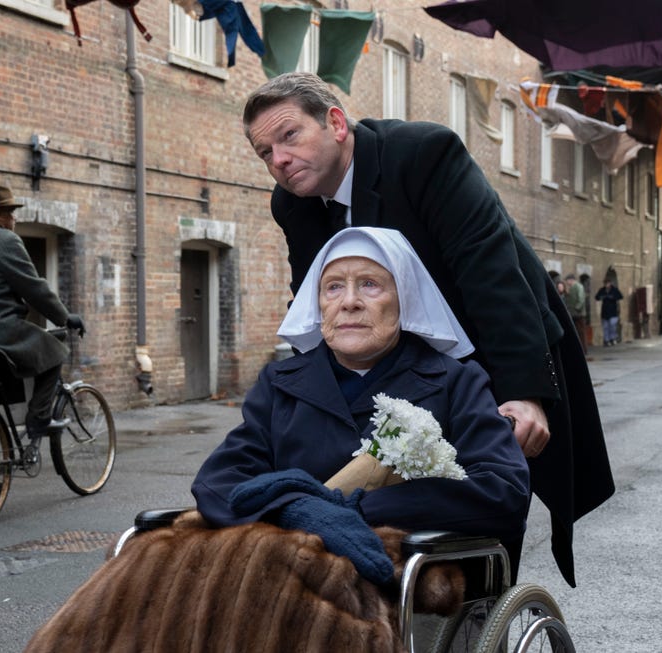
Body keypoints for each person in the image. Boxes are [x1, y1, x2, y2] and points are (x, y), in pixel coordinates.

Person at [242, 71, 613, 586]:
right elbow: (314, 302)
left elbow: (492, 276)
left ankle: (478, 615)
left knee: (474, 527)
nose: (279, 160)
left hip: (487, 353)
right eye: (265, 153)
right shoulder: (292, 204)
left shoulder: (422, 154)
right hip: (394, 371)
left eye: (289, 137)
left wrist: (525, 395)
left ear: (335, 123)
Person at [193, 227, 530, 582]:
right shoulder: (279, 384)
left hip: (406, 588)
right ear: (319, 302)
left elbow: (502, 491)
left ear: (404, 300)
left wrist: (353, 509)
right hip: (290, 581)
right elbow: (218, 481)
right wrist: (297, 510)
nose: (349, 301)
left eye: (370, 284)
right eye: (334, 287)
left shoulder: (456, 382)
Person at [0, 186, 84, 445]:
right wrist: (65, 317)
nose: (15, 220)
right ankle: (38, 418)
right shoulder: (6, 241)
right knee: (55, 352)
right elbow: (34, 288)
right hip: (0, 336)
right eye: (11, 214)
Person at [595, 280, 624, 346]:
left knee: (612, 326)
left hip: (613, 311)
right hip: (605, 311)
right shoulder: (602, 290)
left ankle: (613, 338)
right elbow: (597, 297)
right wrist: (602, 297)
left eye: (607, 283)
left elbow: (620, 296)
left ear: (610, 283)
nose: (606, 285)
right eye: (605, 283)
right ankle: (606, 340)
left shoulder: (614, 290)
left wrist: (612, 297)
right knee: (605, 327)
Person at [564, 274, 588, 353]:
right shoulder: (571, 288)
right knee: (577, 332)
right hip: (573, 314)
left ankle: (584, 350)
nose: (567, 282)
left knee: (581, 332)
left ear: (571, 280)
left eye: (567, 281)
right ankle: (579, 350)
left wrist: (577, 308)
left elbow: (581, 299)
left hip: (579, 314)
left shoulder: (578, 286)